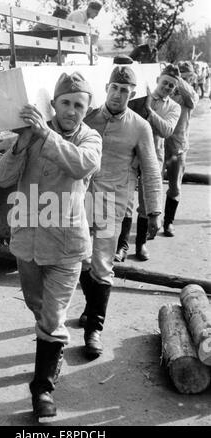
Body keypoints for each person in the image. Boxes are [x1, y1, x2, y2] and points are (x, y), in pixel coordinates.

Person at [0, 72, 102, 418]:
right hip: (27, 243)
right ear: (54, 103)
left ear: (87, 109)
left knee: (53, 315)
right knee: (37, 306)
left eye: (79, 105)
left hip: (67, 246)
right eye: (66, 103)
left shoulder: (91, 138)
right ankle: (49, 351)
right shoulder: (30, 132)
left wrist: (45, 135)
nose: (71, 111)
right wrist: (21, 144)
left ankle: (42, 388)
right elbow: (2, 178)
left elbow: (81, 164)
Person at [78, 65, 163, 358]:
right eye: (114, 88)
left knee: (101, 262)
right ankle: (91, 307)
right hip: (79, 199)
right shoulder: (86, 116)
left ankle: (94, 329)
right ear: (106, 88)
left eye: (124, 90)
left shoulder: (140, 126)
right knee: (80, 258)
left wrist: (154, 211)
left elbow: (151, 169)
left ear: (133, 94)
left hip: (112, 202)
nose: (118, 94)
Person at [115, 64, 181, 262]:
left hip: (152, 157)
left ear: (174, 89)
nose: (167, 87)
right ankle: (122, 245)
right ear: (158, 80)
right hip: (130, 153)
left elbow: (167, 130)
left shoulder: (174, 107)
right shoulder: (141, 96)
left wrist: (150, 111)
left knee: (146, 202)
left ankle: (141, 244)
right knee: (125, 199)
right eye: (165, 83)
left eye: (171, 86)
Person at [163, 61, 199, 236]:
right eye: (180, 76)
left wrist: (179, 80)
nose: (182, 80)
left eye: (186, 77)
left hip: (177, 147)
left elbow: (192, 100)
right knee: (149, 185)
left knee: (175, 187)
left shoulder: (189, 93)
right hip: (159, 144)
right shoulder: (167, 89)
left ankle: (168, 222)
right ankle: (147, 221)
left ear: (191, 77)